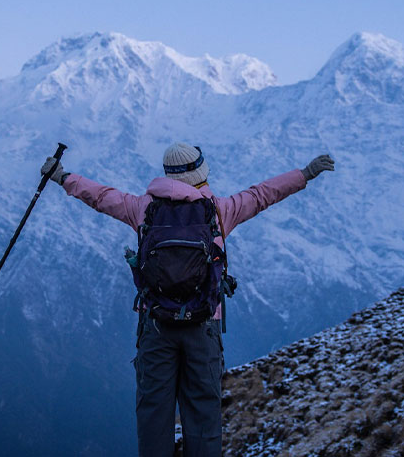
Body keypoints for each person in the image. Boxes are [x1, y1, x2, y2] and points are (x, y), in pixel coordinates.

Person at [41, 143, 334, 457]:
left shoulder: (142, 208)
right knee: (203, 413)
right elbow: (263, 194)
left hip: (155, 327)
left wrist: (62, 176)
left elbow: (99, 196)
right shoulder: (219, 211)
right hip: (203, 326)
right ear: (199, 174)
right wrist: (305, 174)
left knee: (154, 412)